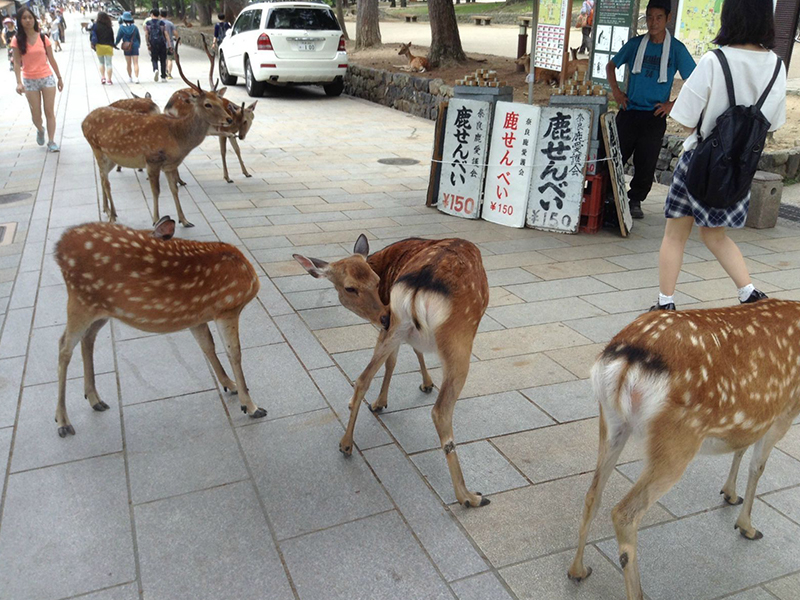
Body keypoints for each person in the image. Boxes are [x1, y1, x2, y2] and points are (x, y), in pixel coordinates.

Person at [651, 0, 786, 311]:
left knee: (675, 235)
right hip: (738, 167)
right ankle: (748, 292)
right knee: (715, 235)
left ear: (730, 16)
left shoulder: (715, 61)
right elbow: (774, 123)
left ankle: (665, 303)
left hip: (700, 162)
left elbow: (685, 117)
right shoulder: (778, 66)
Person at [606, 0, 696, 219]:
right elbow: (611, 65)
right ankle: (608, 195)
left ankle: (635, 199)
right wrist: (617, 92)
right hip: (629, 111)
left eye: (658, 17)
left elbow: (694, 80)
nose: (653, 22)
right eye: (649, 17)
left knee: (646, 162)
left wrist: (672, 105)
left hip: (655, 115)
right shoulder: (636, 44)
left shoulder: (676, 49)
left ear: (668, 19)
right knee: (614, 156)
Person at [11, 7, 63, 152]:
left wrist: (59, 77)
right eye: (24, 18)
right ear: (20, 21)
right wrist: (19, 82)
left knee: (49, 111)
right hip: (30, 81)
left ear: (34, 19)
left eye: (30, 17)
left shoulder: (42, 37)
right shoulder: (17, 40)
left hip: (47, 78)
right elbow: (16, 62)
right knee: (36, 114)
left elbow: (51, 59)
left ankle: (51, 141)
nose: (28, 20)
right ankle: (40, 129)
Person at [90, 11, 115, 84]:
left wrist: (92, 43)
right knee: (109, 64)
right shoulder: (109, 26)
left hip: (99, 46)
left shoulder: (95, 25)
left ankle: (103, 77)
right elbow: (112, 37)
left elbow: (92, 35)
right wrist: (113, 45)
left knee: (101, 63)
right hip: (108, 46)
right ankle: (109, 80)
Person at [116, 11, 140, 83]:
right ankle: (136, 77)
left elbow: (118, 38)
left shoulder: (121, 28)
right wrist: (138, 45)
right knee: (136, 62)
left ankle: (130, 77)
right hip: (135, 45)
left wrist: (115, 44)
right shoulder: (135, 28)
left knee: (128, 63)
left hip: (126, 46)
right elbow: (138, 37)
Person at [145, 8, 167, 82]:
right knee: (163, 60)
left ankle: (155, 69)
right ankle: (163, 76)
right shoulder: (162, 23)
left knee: (154, 58)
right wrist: (169, 44)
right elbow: (166, 34)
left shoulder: (148, 23)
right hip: (162, 43)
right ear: (158, 15)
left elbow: (146, 34)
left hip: (153, 43)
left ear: (152, 14)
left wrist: (147, 43)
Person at [159, 8, 176, 80]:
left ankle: (165, 71)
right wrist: (178, 38)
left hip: (161, 44)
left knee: (164, 59)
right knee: (170, 59)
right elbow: (175, 32)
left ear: (160, 15)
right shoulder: (170, 23)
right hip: (170, 44)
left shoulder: (158, 23)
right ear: (167, 15)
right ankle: (169, 74)